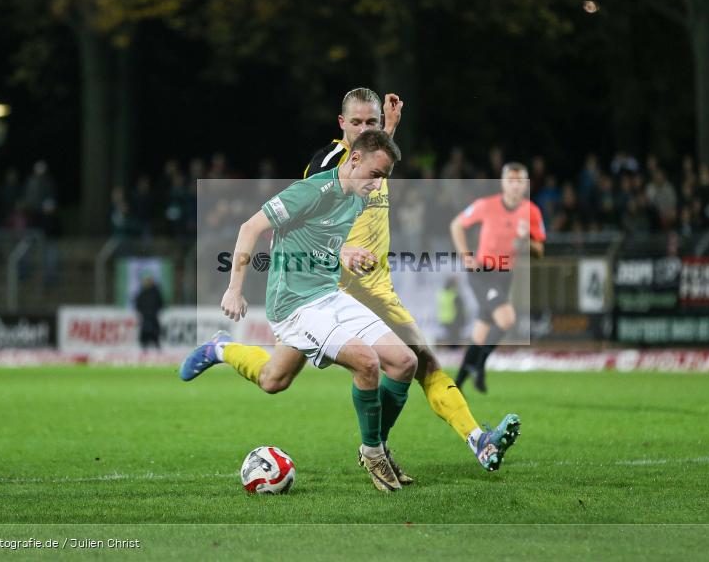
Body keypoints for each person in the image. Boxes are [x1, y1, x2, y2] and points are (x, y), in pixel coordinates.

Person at [181, 130, 418, 493]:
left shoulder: (359, 190)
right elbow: (251, 228)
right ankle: (372, 453)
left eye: (384, 178)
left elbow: (317, 233)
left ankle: (220, 349)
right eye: (376, 175)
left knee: (401, 362)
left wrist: (342, 254)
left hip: (328, 294)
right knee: (367, 363)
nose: (378, 184)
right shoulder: (313, 191)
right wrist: (234, 289)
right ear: (353, 161)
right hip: (294, 304)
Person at [304, 87, 520, 473]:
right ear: (341, 124)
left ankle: (477, 441)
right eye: (357, 123)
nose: (366, 129)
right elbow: (302, 224)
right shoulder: (330, 164)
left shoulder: (373, 156)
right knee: (275, 377)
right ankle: (221, 352)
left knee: (421, 362)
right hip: (336, 291)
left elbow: (377, 157)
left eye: (372, 122)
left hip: (378, 288)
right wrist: (339, 253)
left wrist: (390, 127)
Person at [451, 162, 546, 392]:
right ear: (503, 183)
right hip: (482, 273)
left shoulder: (532, 211)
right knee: (507, 319)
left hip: (505, 274)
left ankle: (457, 385)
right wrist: (465, 255)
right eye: (511, 180)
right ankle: (480, 364)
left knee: (481, 332)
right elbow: (456, 225)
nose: (515, 186)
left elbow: (540, 253)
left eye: (520, 181)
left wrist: (526, 240)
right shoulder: (486, 205)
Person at [134, 274, 164, 349]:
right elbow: (138, 303)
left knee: (155, 331)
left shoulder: (156, 292)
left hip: (153, 316)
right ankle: (144, 346)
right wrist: (142, 312)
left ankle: (156, 346)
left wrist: (155, 311)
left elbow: (161, 303)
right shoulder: (142, 292)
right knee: (144, 332)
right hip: (145, 316)